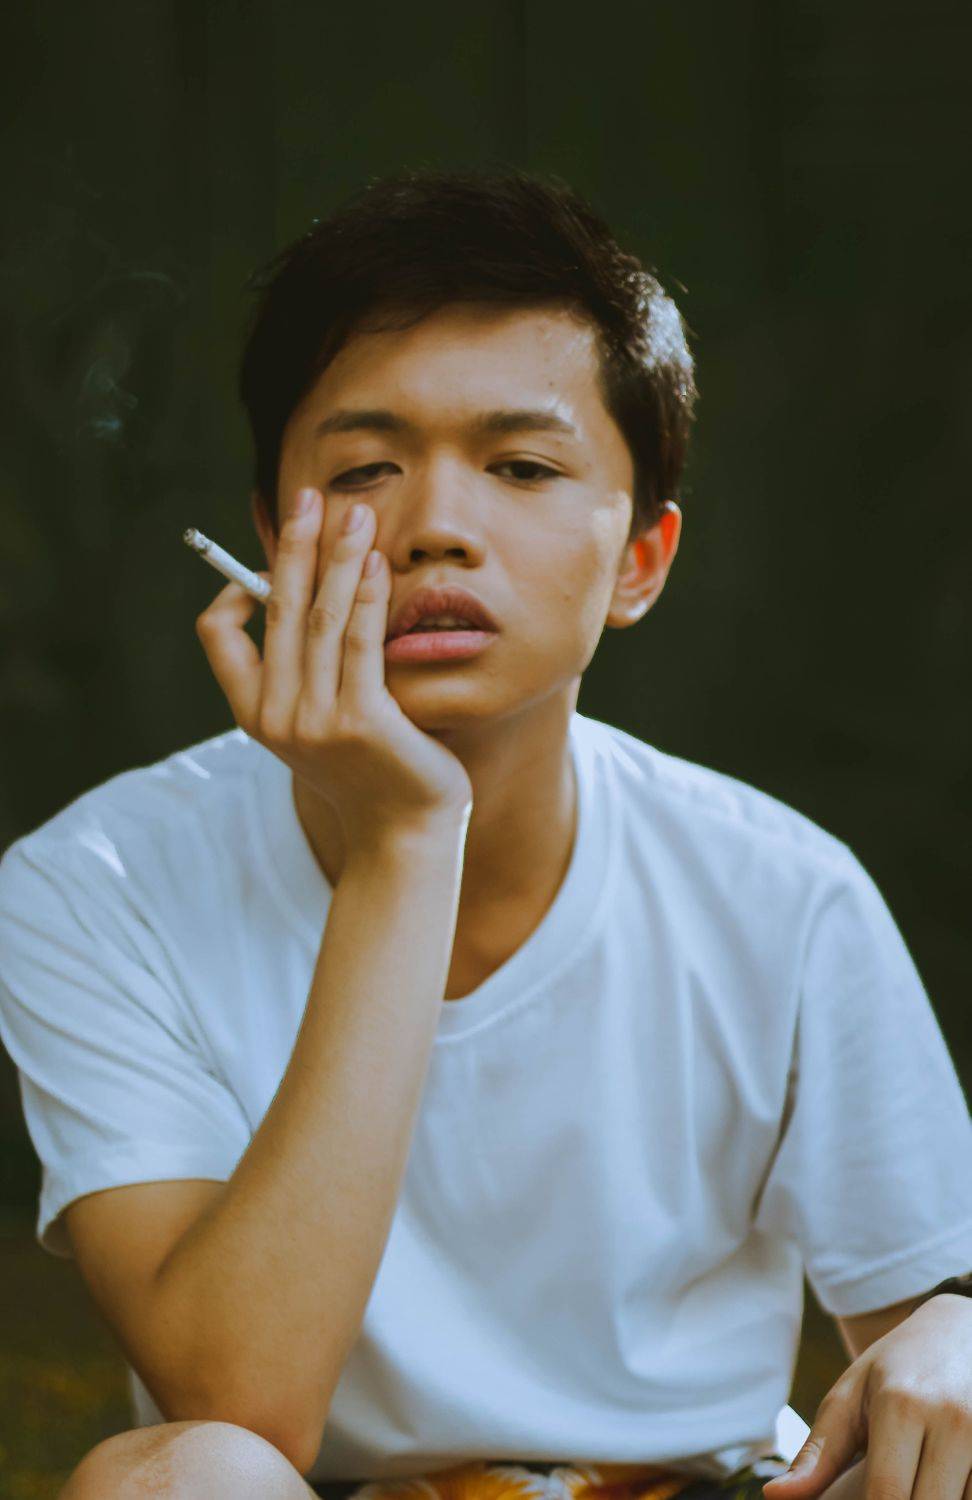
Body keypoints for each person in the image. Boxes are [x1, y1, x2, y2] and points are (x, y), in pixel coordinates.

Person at [1, 167, 970, 1500]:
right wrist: (407, 839)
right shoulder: (94, 883)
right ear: (270, 541)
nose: (436, 530)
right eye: (364, 470)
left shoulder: (783, 893)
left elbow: (924, 1366)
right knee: (174, 1478)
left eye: (521, 467)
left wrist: (955, 1332)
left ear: (641, 559)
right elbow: (239, 1401)